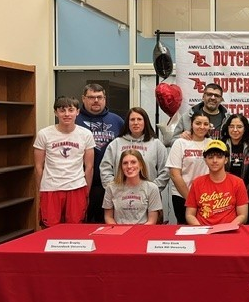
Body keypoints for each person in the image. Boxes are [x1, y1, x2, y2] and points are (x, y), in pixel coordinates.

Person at [34, 97, 95, 227]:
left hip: (77, 187)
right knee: (49, 230)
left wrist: (86, 192)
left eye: (71, 110)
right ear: (56, 112)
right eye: (62, 110)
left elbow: (89, 167)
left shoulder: (86, 134)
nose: (67, 114)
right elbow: (38, 167)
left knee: (75, 229)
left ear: (77, 112)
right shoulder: (44, 134)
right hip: (51, 188)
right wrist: (41, 189)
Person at [76, 83, 125, 223]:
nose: (96, 101)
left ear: (105, 99)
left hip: (111, 184)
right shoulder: (75, 120)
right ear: (83, 99)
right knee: (82, 223)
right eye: (91, 97)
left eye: (99, 97)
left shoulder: (117, 121)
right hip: (81, 184)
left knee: (108, 224)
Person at [100, 107, 169, 192]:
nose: (136, 123)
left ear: (145, 122)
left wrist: (153, 189)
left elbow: (165, 171)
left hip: (148, 196)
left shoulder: (156, 144)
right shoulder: (116, 144)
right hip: (120, 196)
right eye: (132, 119)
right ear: (127, 123)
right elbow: (104, 169)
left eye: (139, 119)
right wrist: (114, 190)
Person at [185, 140, 248, 226]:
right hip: (203, 232)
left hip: (229, 232)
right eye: (210, 157)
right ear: (205, 160)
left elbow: (243, 215)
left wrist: (229, 227)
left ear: (226, 160)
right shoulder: (197, 183)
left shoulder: (238, 182)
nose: (214, 160)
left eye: (219, 157)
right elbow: (189, 214)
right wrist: (201, 229)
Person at [166, 112, 211, 224]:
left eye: (206, 124)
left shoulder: (212, 143)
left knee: (206, 227)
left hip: (206, 197)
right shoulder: (180, 143)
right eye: (198, 123)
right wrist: (190, 199)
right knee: (185, 229)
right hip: (181, 195)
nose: (202, 127)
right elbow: (175, 175)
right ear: (191, 124)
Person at [103, 149, 162, 225]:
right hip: (118, 232)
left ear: (141, 165)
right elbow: (108, 217)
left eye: (133, 162)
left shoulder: (152, 188)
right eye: (125, 163)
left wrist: (136, 234)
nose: (129, 166)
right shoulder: (111, 187)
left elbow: (152, 221)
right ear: (121, 167)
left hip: (142, 232)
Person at [220, 114, 249, 183]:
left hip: (245, 188)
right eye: (232, 127)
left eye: (239, 127)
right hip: (224, 187)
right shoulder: (221, 146)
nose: (235, 130)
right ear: (227, 128)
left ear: (245, 129)